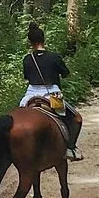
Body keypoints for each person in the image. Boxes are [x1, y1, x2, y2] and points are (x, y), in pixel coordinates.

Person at [20, 23, 81, 159]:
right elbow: (65, 73)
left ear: (30, 43)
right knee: (76, 118)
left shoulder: (27, 59)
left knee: (19, 115)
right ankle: (70, 148)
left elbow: (27, 77)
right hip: (52, 94)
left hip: (30, 93)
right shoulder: (54, 57)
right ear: (43, 39)